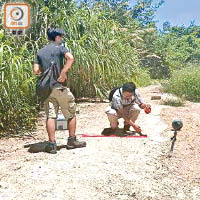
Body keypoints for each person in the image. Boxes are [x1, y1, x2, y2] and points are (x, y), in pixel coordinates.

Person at [33, 28, 86, 154]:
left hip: (47, 89)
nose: (61, 39)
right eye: (60, 37)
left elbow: (36, 71)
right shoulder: (60, 48)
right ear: (56, 37)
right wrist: (63, 72)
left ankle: (52, 144)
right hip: (60, 87)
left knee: (50, 116)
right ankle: (72, 141)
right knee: (71, 113)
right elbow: (70, 58)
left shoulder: (40, 52)